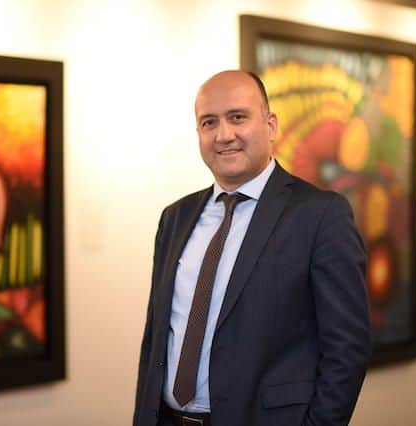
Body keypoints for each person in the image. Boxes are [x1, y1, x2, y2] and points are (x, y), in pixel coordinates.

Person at [133, 70, 371, 426]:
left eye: (237, 117)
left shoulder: (320, 215)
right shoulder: (175, 218)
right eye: (209, 122)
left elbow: (347, 349)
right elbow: (156, 339)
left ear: (270, 125)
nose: (223, 135)